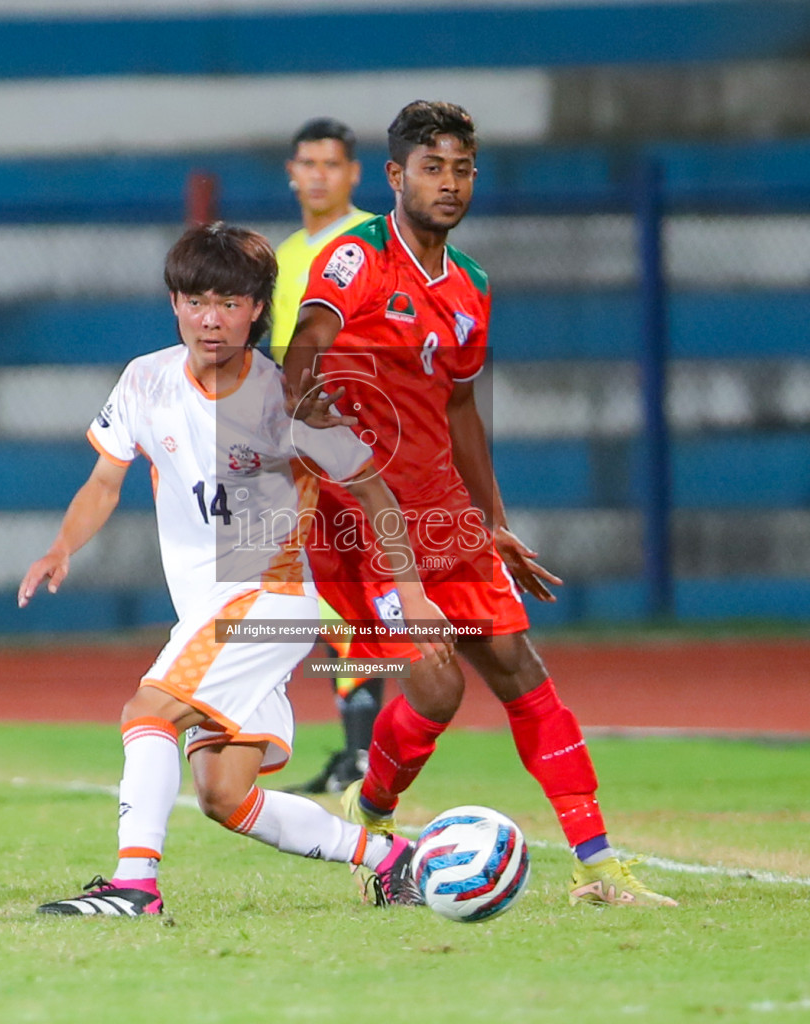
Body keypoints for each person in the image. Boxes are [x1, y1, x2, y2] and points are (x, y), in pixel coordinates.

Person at [284, 101, 677, 908]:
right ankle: (372, 822)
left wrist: (492, 520)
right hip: (364, 521)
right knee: (435, 688)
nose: (451, 183)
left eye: (463, 168)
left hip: (446, 514)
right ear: (395, 177)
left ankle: (599, 869)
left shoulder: (472, 286)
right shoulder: (353, 263)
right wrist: (312, 416)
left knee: (522, 675)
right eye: (434, 167)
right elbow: (304, 354)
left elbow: (460, 409)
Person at [19, 222, 451, 917]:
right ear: (174, 303)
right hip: (209, 612)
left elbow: (375, 491)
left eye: (227, 301)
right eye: (195, 300)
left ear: (257, 307)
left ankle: (135, 886)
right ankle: (392, 860)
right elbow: (105, 481)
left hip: (266, 598)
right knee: (225, 795)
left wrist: (413, 593)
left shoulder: (290, 400)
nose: (209, 318)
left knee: (147, 713)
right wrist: (62, 546)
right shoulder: (145, 379)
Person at [269, 117, 382, 795]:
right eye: (306, 162)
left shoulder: (371, 240)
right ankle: (358, 751)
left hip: (361, 442)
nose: (317, 174)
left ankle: (377, 751)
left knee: (373, 597)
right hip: (304, 448)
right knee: (336, 600)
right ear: (291, 172)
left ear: (353, 173)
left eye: (330, 163)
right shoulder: (284, 255)